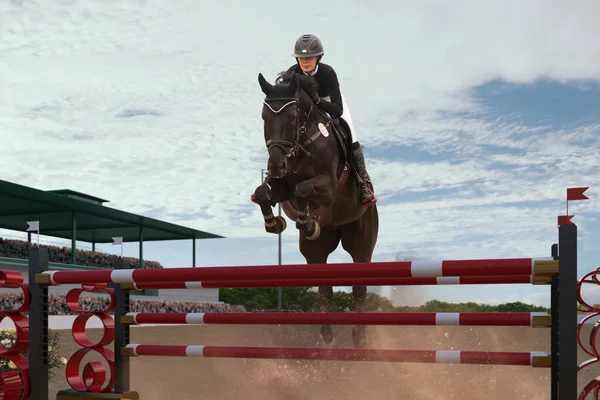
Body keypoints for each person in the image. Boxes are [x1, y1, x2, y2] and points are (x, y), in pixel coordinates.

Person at [285, 34, 376, 207]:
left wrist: (317, 101)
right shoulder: (292, 73)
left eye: (309, 57)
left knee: (351, 134)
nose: (305, 62)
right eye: (301, 58)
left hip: (329, 102)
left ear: (318, 57)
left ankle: (363, 183)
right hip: (307, 107)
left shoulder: (327, 73)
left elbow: (338, 109)